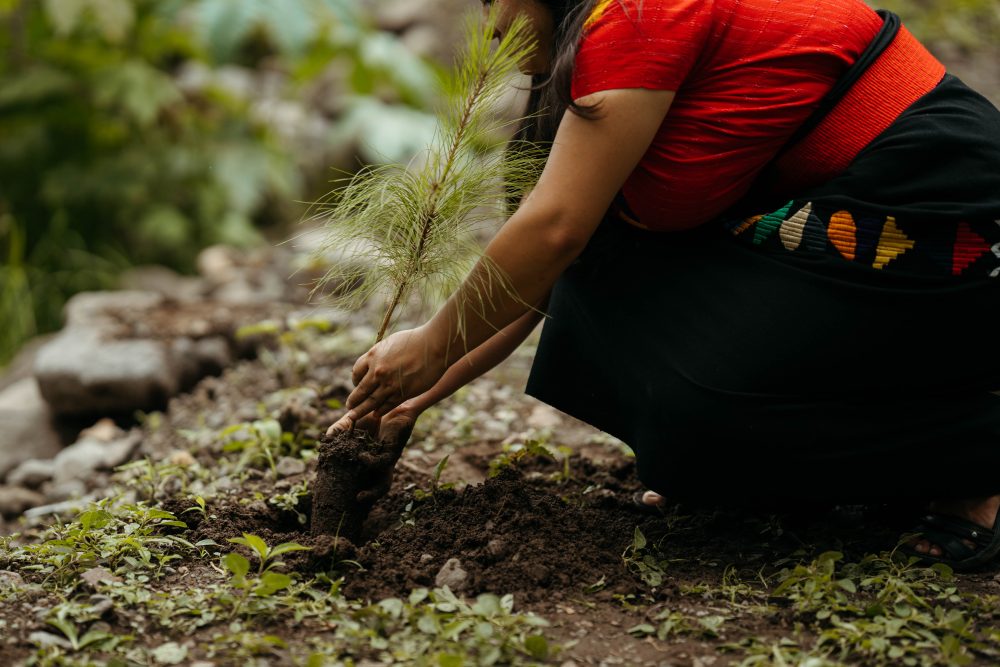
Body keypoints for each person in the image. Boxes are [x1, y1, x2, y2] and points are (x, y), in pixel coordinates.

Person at [328, 0, 1000, 571]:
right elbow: (543, 272)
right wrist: (407, 398)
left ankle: (975, 468)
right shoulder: (589, 62)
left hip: (936, 207)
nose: (493, 26)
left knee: (701, 408)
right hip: (824, 218)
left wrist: (432, 343)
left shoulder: (638, 15)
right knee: (658, 370)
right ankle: (855, 465)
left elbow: (555, 233)